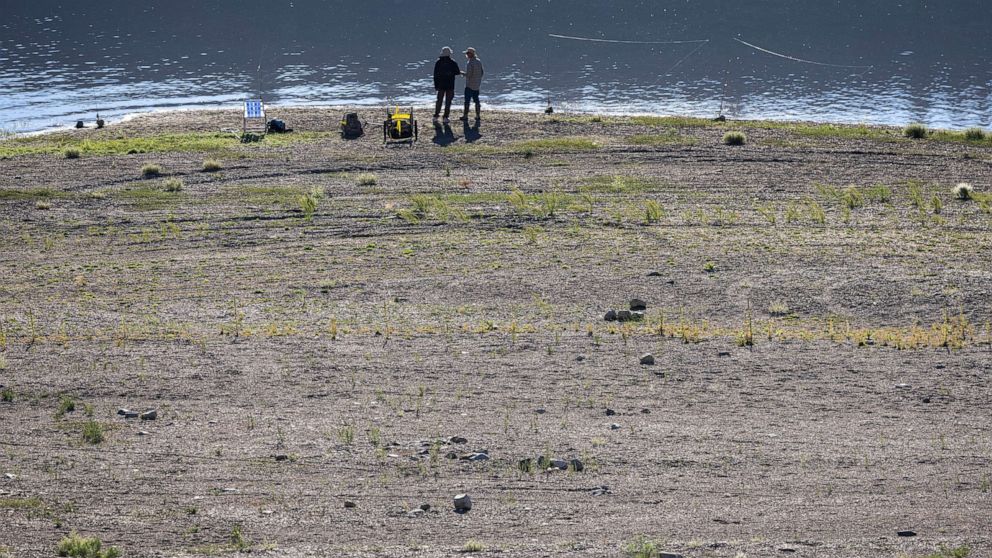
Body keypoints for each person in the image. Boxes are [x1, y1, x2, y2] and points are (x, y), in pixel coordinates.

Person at [433, 46, 461, 123]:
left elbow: (435, 75)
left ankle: (436, 116)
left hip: (441, 85)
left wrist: (436, 85)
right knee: (448, 101)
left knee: (439, 101)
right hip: (450, 85)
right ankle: (445, 117)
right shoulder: (452, 62)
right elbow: (457, 72)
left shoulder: (438, 62)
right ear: (449, 54)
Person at [460, 47, 484, 121]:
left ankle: (465, 115)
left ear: (471, 54)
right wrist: (478, 79)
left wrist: (462, 73)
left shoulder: (470, 63)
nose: (466, 55)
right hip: (477, 85)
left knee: (467, 101)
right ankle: (478, 115)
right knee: (476, 100)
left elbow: (469, 75)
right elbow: (482, 72)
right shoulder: (479, 61)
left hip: (469, 85)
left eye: (467, 53)